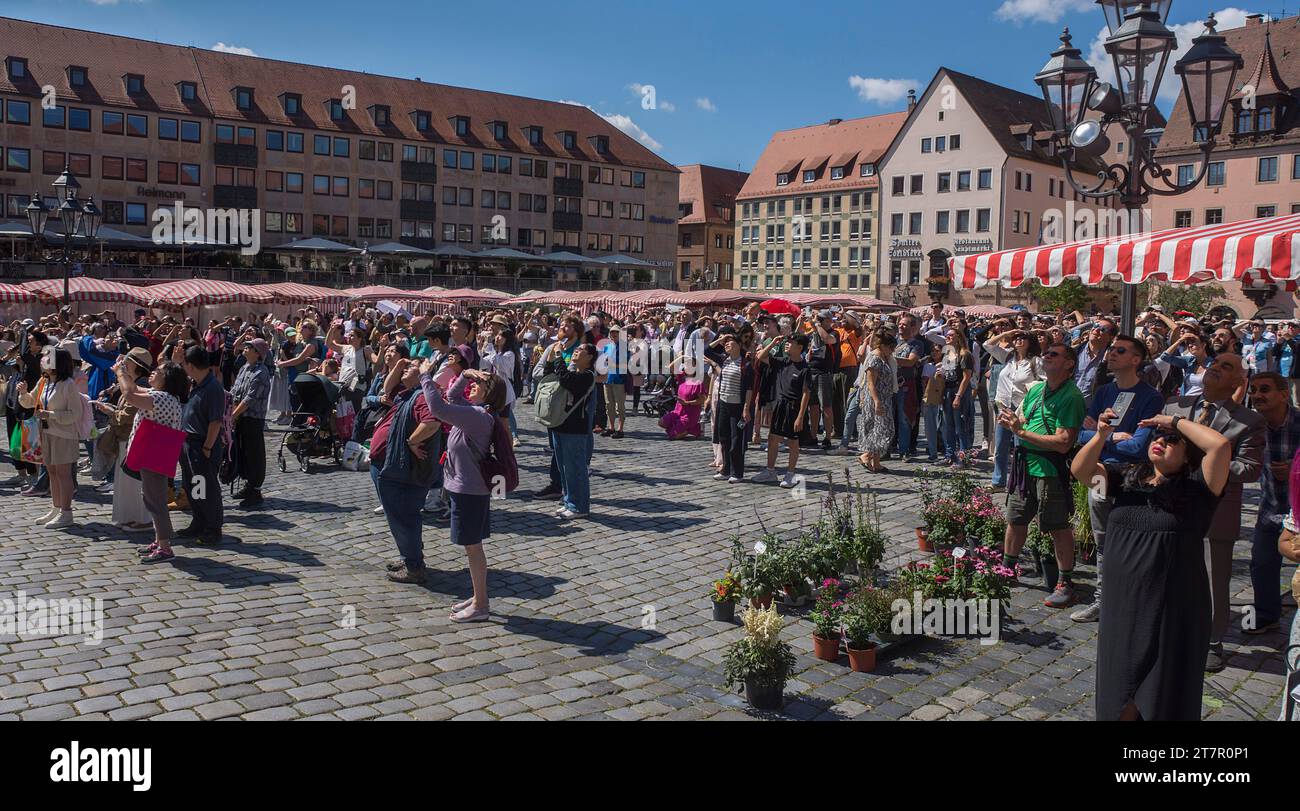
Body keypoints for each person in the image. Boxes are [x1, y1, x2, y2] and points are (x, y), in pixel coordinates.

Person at [1072, 407, 1230, 721]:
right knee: (1120, 692)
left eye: (1172, 441)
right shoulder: (1125, 478)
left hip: (1172, 608)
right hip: (1122, 605)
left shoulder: (1200, 488)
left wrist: (1173, 421)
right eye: (1158, 437)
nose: (1161, 441)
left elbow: (1220, 446)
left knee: (1162, 694)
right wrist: (1102, 435)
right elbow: (1082, 471)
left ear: (1188, 456)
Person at [1162, 352, 1264, 672]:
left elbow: (1249, 470)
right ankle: (1171, 629)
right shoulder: (1175, 406)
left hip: (1216, 510)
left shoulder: (1249, 420)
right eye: (1215, 363)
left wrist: (1207, 462)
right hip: (1169, 504)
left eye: (1227, 367)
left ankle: (1211, 640)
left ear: (1238, 383)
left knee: (1212, 579)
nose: (1216, 369)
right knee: (1167, 571)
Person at [1070, 335, 1164, 623]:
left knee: (1131, 540)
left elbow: (1138, 446)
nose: (1111, 354)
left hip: (1131, 475)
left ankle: (1133, 601)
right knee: (1102, 539)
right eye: (1111, 349)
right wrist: (1107, 436)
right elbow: (1082, 435)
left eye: (1120, 351)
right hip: (1099, 471)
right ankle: (1103, 600)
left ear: (1136, 360)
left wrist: (1102, 437)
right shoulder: (1103, 392)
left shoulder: (1151, 396)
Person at [998, 342, 1086, 608]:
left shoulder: (1071, 396)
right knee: (1016, 518)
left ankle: (1065, 582)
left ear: (1069, 364)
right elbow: (1023, 419)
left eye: (1053, 354)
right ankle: (1007, 570)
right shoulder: (1037, 388)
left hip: (1050, 470)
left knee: (1057, 526)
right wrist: (1013, 420)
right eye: (1046, 353)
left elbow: (1063, 442)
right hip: (1025, 467)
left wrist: (1021, 432)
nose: (1046, 356)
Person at [418, 362, 506, 623]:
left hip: (470, 490)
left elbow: (438, 407)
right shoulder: (475, 411)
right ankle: (479, 596)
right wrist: (466, 376)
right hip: (468, 488)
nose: (474, 386)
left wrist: (425, 376)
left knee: (473, 547)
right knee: (472, 546)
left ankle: (481, 604)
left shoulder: (478, 416)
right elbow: (453, 397)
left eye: (480, 385)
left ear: (489, 394)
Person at [370, 359, 441, 584]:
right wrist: (400, 364)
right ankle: (410, 556)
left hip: (401, 469)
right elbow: (386, 389)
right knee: (398, 516)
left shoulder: (421, 396)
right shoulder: (408, 393)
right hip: (389, 465)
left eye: (411, 366)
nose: (405, 367)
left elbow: (432, 422)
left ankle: (414, 566)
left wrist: (411, 441)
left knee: (404, 517)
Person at [1243, 372, 1300, 638]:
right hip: (1271, 505)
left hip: (1297, 512)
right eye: (1253, 390)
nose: (1257, 396)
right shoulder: (1253, 425)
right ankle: (1265, 615)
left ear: (1284, 394)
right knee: (1262, 562)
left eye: (1264, 389)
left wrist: (1294, 470)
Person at [123, 362, 189, 564]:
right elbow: (134, 389)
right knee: (153, 498)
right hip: (157, 454)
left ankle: (165, 546)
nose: (153, 372)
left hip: (153, 454)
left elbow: (130, 396)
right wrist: (125, 375)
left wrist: (119, 374)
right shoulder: (166, 396)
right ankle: (160, 540)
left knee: (155, 501)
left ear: (167, 378)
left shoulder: (161, 397)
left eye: (158, 371)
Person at [18, 348, 81, 529]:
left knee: (63, 474)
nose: (42, 360)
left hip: (63, 435)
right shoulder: (44, 381)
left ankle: (66, 512)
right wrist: (23, 393)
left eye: (47, 358)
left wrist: (51, 415)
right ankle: (56, 508)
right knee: (52, 472)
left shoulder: (68, 384)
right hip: (46, 433)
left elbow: (75, 414)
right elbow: (31, 401)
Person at [177, 344, 227, 546]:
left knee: (205, 488)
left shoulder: (212, 388)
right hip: (189, 444)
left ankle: (212, 527)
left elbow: (215, 422)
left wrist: (206, 448)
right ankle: (199, 521)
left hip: (202, 445)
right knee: (193, 487)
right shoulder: (196, 383)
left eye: (184, 363)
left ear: (191, 365)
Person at [104, 349, 156, 533]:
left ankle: (142, 518)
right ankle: (128, 516)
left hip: (138, 437)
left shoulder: (141, 384)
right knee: (126, 481)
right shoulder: (131, 381)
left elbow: (129, 412)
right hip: (127, 437)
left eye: (127, 361)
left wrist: (110, 413)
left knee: (136, 482)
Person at [752, 333, 812, 487]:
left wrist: (800, 416)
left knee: (793, 442)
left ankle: (790, 474)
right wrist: (773, 343)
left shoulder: (805, 368)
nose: (787, 344)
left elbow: (806, 393)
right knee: (772, 438)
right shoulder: (782, 362)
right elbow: (761, 356)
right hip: (779, 405)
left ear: (799, 347)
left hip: (794, 408)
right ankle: (770, 471)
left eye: (790, 343)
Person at [545, 341, 596, 519]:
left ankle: (579, 506)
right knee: (564, 468)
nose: (576, 351)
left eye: (581, 349)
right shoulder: (573, 371)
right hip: (560, 424)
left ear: (589, 357)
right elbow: (551, 378)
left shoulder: (588, 376)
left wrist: (559, 357)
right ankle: (568, 501)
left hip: (575, 428)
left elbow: (567, 381)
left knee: (575, 468)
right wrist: (551, 360)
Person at [230, 338, 271, 508]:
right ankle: (247, 483)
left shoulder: (261, 373)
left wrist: (233, 414)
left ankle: (255, 489)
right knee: (243, 451)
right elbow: (235, 391)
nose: (245, 349)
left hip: (253, 418)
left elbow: (250, 399)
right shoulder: (244, 368)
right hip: (241, 417)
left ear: (257, 353)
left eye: (249, 347)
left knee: (254, 454)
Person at [855, 329, 898, 474]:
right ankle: (866, 455)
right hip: (876, 399)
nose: (892, 351)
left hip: (885, 398)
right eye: (891, 348)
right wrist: (877, 401)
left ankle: (876, 463)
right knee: (884, 430)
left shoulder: (884, 358)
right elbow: (870, 383)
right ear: (883, 346)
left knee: (878, 430)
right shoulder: (874, 358)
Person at [938, 330, 974, 468]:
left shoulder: (964, 354)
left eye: (951, 335)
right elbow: (946, 374)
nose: (948, 337)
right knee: (948, 426)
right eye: (947, 335)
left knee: (961, 426)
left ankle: (963, 457)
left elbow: (966, 377)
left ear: (959, 337)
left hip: (959, 391)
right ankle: (949, 455)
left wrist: (958, 396)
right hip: (947, 390)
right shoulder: (948, 353)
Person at [600, 324, 627, 439]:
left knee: (619, 405)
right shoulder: (607, 346)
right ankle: (611, 427)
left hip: (619, 379)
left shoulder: (624, 347)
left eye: (616, 332)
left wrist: (612, 364)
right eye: (612, 332)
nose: (614, 334)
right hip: (608, 378)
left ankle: (620, 429)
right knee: (609, 405)